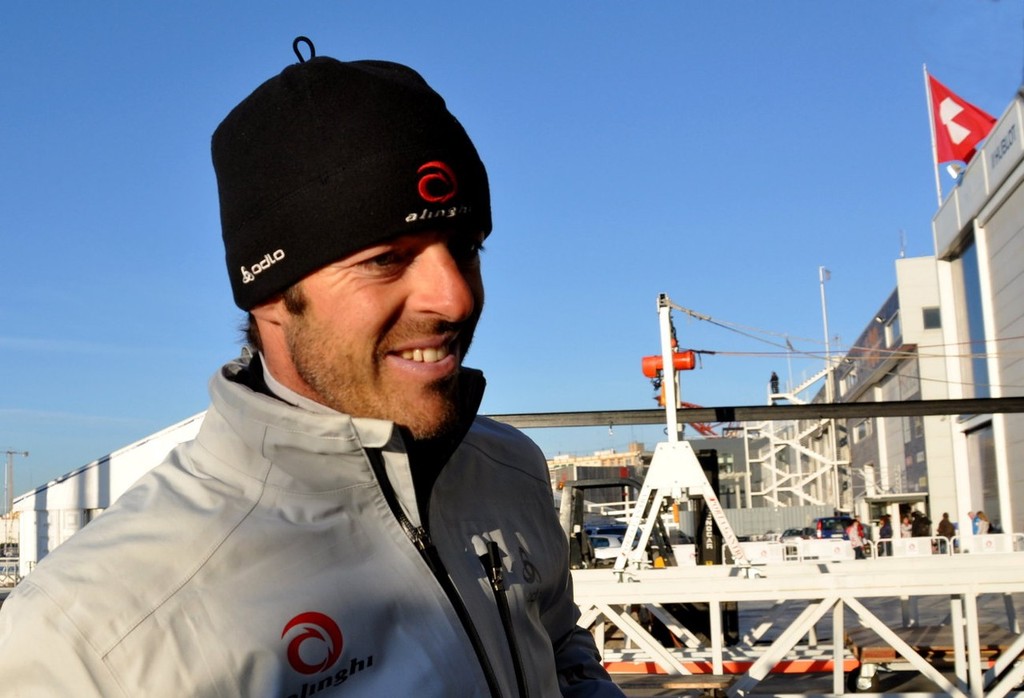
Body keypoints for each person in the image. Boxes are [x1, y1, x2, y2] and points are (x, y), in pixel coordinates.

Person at [0, 38, 624, 697]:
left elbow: (556, 639)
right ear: (269, 293)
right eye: (387, 258)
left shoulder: (508, 472)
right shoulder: (92, 641)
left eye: (466, 246)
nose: (457, 297)